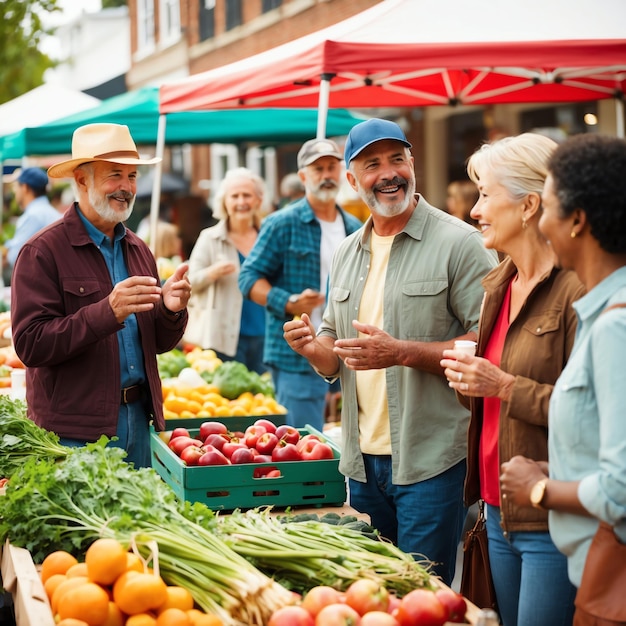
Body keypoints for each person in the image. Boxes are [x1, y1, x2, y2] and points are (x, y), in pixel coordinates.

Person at [283, 118, 497, 584]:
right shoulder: (346, 252)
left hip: (431, 461)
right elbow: (333, 349)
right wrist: (310, 347)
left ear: (412, 163)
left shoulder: (459, 242)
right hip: (361, 465)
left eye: (397, 159)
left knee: (424, 592)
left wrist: (402, 352)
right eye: (372, 164)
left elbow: (492, 343)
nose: (388, 173)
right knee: (377, 595)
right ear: (352, 178)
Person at [440, 133, 585, 626]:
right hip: (494, 509)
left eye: (485, 194)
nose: (475, 209)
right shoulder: (497, 285)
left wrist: (500, 385)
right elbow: (489, 400)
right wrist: (470, 387)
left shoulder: (575, 291)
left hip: (551, 513)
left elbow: (590, 412)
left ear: (528, 206)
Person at [10, 123, 191, 469]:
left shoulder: (138, 248)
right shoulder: (42, 251)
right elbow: (31, 345)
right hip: (75, 433)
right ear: (81, 179)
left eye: (132, 176)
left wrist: (170, 310)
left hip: (139, 420)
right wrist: (107, 312)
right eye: (114, 175)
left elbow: (156, 344)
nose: (126, 187)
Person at [500, 134, 626, 625]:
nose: (540, 223)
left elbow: (620, 490)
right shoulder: (602, 312)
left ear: (577, 221)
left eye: (546, 207)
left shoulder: (615, 325)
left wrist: (539, 488)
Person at [239, 138, 362, 432]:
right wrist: (289, 302)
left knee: (345, 443)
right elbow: (248, 278)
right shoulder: (282, 223)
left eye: (332, 167)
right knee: (303, 445)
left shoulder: (356, 228)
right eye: (317, 168)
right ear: (303, 176)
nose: (326, 174)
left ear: (343, 172)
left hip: (349, 353)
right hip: (297, 356)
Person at [186, 167, 268, 375]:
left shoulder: (269, 236)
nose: (242, 202)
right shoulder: (210, 238)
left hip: (266, 334)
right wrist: (212, 272)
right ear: (224, 201)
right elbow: (188, 283)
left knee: (264, 402)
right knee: (232, 403)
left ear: (258, 200)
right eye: (235, 196)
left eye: (247, 195)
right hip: (224, 337)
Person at [4, 167, 61, 272]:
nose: (14, 191)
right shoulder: (52, 213)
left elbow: (15, 257)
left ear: (25, 187)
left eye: (15, 186)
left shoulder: (33, 216)